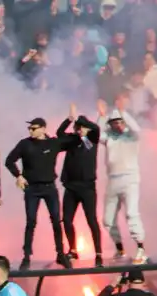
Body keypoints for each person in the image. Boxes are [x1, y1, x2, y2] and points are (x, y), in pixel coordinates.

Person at [4, 117, 72, 270]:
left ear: (43, 129)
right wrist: (18, 175)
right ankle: (27, 256)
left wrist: (70, 120)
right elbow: (9, 160)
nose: (30, 131)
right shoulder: (25, 144)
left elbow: (69, 139)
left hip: (49, 187)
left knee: (56, 220)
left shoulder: (52, 143)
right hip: (32, 188)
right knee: (31, 222)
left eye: (33, 128)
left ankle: (60, 254)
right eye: (29, 128)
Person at [97, 100, 148, 264]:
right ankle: (120, 249)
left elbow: (137, 129)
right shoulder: (109, 138)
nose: (117, 125)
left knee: (131, 214)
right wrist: (102, 116)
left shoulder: (131, 136)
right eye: (114, 123)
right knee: (107, 220)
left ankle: (141, 248)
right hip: (113, 180)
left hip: (130, 180)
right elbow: (97, 135)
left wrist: (123, 111)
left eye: (120, 122)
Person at [56, 103, 104, 266]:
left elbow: (96, 128)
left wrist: (84, 124)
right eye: (78, 127)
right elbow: (59, 134)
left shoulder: (92, 139)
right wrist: (70, 120)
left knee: (91, 220)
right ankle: (73, 250)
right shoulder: (72, 140)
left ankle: (98, 253)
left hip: (88, 187)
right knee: (67, 220)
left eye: (83, 127)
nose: (80, 130)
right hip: (71, 186)